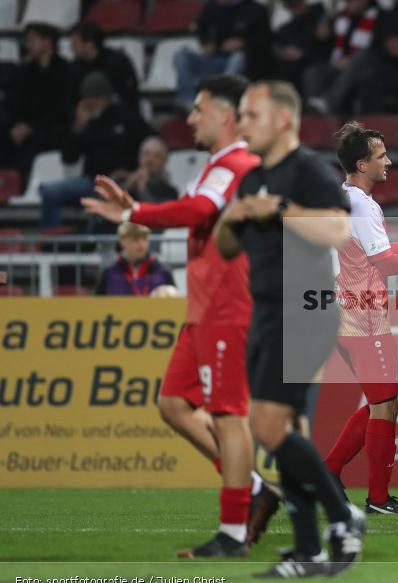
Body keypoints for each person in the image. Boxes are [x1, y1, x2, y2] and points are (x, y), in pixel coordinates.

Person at [82, 75, 267, 557]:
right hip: (203, 308)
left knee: (229, 417)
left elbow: (198, 210)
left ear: (225, 115)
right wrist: (135, 212)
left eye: (199, 110)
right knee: (172, 405)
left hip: (228, 308)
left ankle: (232, 534)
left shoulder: (239, 162)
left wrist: (135, 212)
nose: (189, 119)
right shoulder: (217, 164)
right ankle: (256, 488)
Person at [213, 80, 364, 578]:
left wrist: (279, 210)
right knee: (286, 433)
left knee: (267, 427)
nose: (243, 124)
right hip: (268, 312)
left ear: (282, 119)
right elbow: (227, 248)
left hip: (304, 308)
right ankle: (308, 552)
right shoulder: (253, 178)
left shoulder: (307, 171)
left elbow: (339, 230)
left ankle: (344, 517)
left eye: (251, 115)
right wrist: (232, 218)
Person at [325, 121, 398, 515]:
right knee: (385, 402)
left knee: (387, 400)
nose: (389, 162)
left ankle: (331, 472)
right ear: (362, 163)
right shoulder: (362, 204)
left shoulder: (350, 200)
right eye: (381, 156)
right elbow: (386, 264)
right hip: (363, 318)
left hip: (352, 313)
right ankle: (376, 498)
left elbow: (372, 252)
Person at [41, 71, 153, 228]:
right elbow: (69, 158)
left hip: (123, 182)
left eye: (93, 97)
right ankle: (50, 245)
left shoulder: (127, 117)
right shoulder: (86, 121)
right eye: (87, 98)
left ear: (103, 97)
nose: (90, 102)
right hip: (92, 181)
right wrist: (78, 127)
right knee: (49, 192)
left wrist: (136, 171)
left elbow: (153, 142)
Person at [173, 0, 271, 107]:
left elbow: (265, 40)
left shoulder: (256, 10)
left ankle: (222, 99)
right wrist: (207, 43)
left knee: (238, 58)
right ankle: (188, 99)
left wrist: (243, 43)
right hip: (215, 59)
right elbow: (201, 28)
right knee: (181, 55)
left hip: (244, 62)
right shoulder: (212, 7)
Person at [4, 23, 70, 181]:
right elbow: (16, 102)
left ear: (47, 42)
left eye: (31, 40)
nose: (27, 45)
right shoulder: (26, 71)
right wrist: (18, 124)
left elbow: (63, 108)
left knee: (36, 142)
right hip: (24, 126)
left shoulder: (66, 71)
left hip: (52, 128)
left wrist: (31, 128)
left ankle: (18, 182)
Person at [302, 0, 380, 115]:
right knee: (313, 73)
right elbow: (327, 48)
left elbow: (380, 47)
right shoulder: (340, 18)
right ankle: (314, 111)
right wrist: (323, 38)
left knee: (361, 57)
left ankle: (328, 103)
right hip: (338, 65)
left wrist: (351, 60)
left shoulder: (380, 17)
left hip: (365, 65)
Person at [69, 21, 139, 110]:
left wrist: (107, 104)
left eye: (75, 43)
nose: (71, 47)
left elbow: (129, 97)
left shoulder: (118, 61)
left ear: (89, 44)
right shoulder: (74, 67)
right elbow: (71, 99)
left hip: (116, 115)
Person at [94, 222, 175, 296]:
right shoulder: (109, 272)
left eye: (144, 239)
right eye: (135, 240)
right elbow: (98, 304)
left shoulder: (162, 271)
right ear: (122, 241)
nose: (141, 244)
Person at [271, 0, 332, 95]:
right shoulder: (287, 27)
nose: (294, 8)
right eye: (290, 5)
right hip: (290, 64)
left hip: (313, 61)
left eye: (296, 4)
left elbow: (324, 46)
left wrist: (302, 54)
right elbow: (275, 43)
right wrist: (282, 52)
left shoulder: (319, 18)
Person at [119, 136, 179, 204]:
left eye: (157, 156)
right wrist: (127, 186)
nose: (150, 160)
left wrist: (142, 189)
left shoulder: (170, 192)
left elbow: (157, 212)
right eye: (146, 153)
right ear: (139, 157)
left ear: (164, 162)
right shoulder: (124, 180)